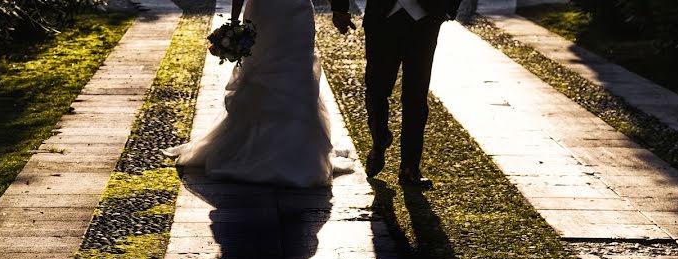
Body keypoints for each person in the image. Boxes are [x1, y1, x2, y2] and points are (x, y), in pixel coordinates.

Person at [164, 0, 334, 188]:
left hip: (288, 12)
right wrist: (235, 20)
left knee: (294, 70)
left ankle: (295, 151)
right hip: (273, 13)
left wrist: (235, 18)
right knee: (268, 69)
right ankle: (291, 155)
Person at [331, 0, 461, 189]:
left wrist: (448, 9)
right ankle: (379, 138)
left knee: (416, 96)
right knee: (376, 89)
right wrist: (339, 8)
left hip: (425, 20)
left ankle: (410, 168)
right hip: (381, 18)